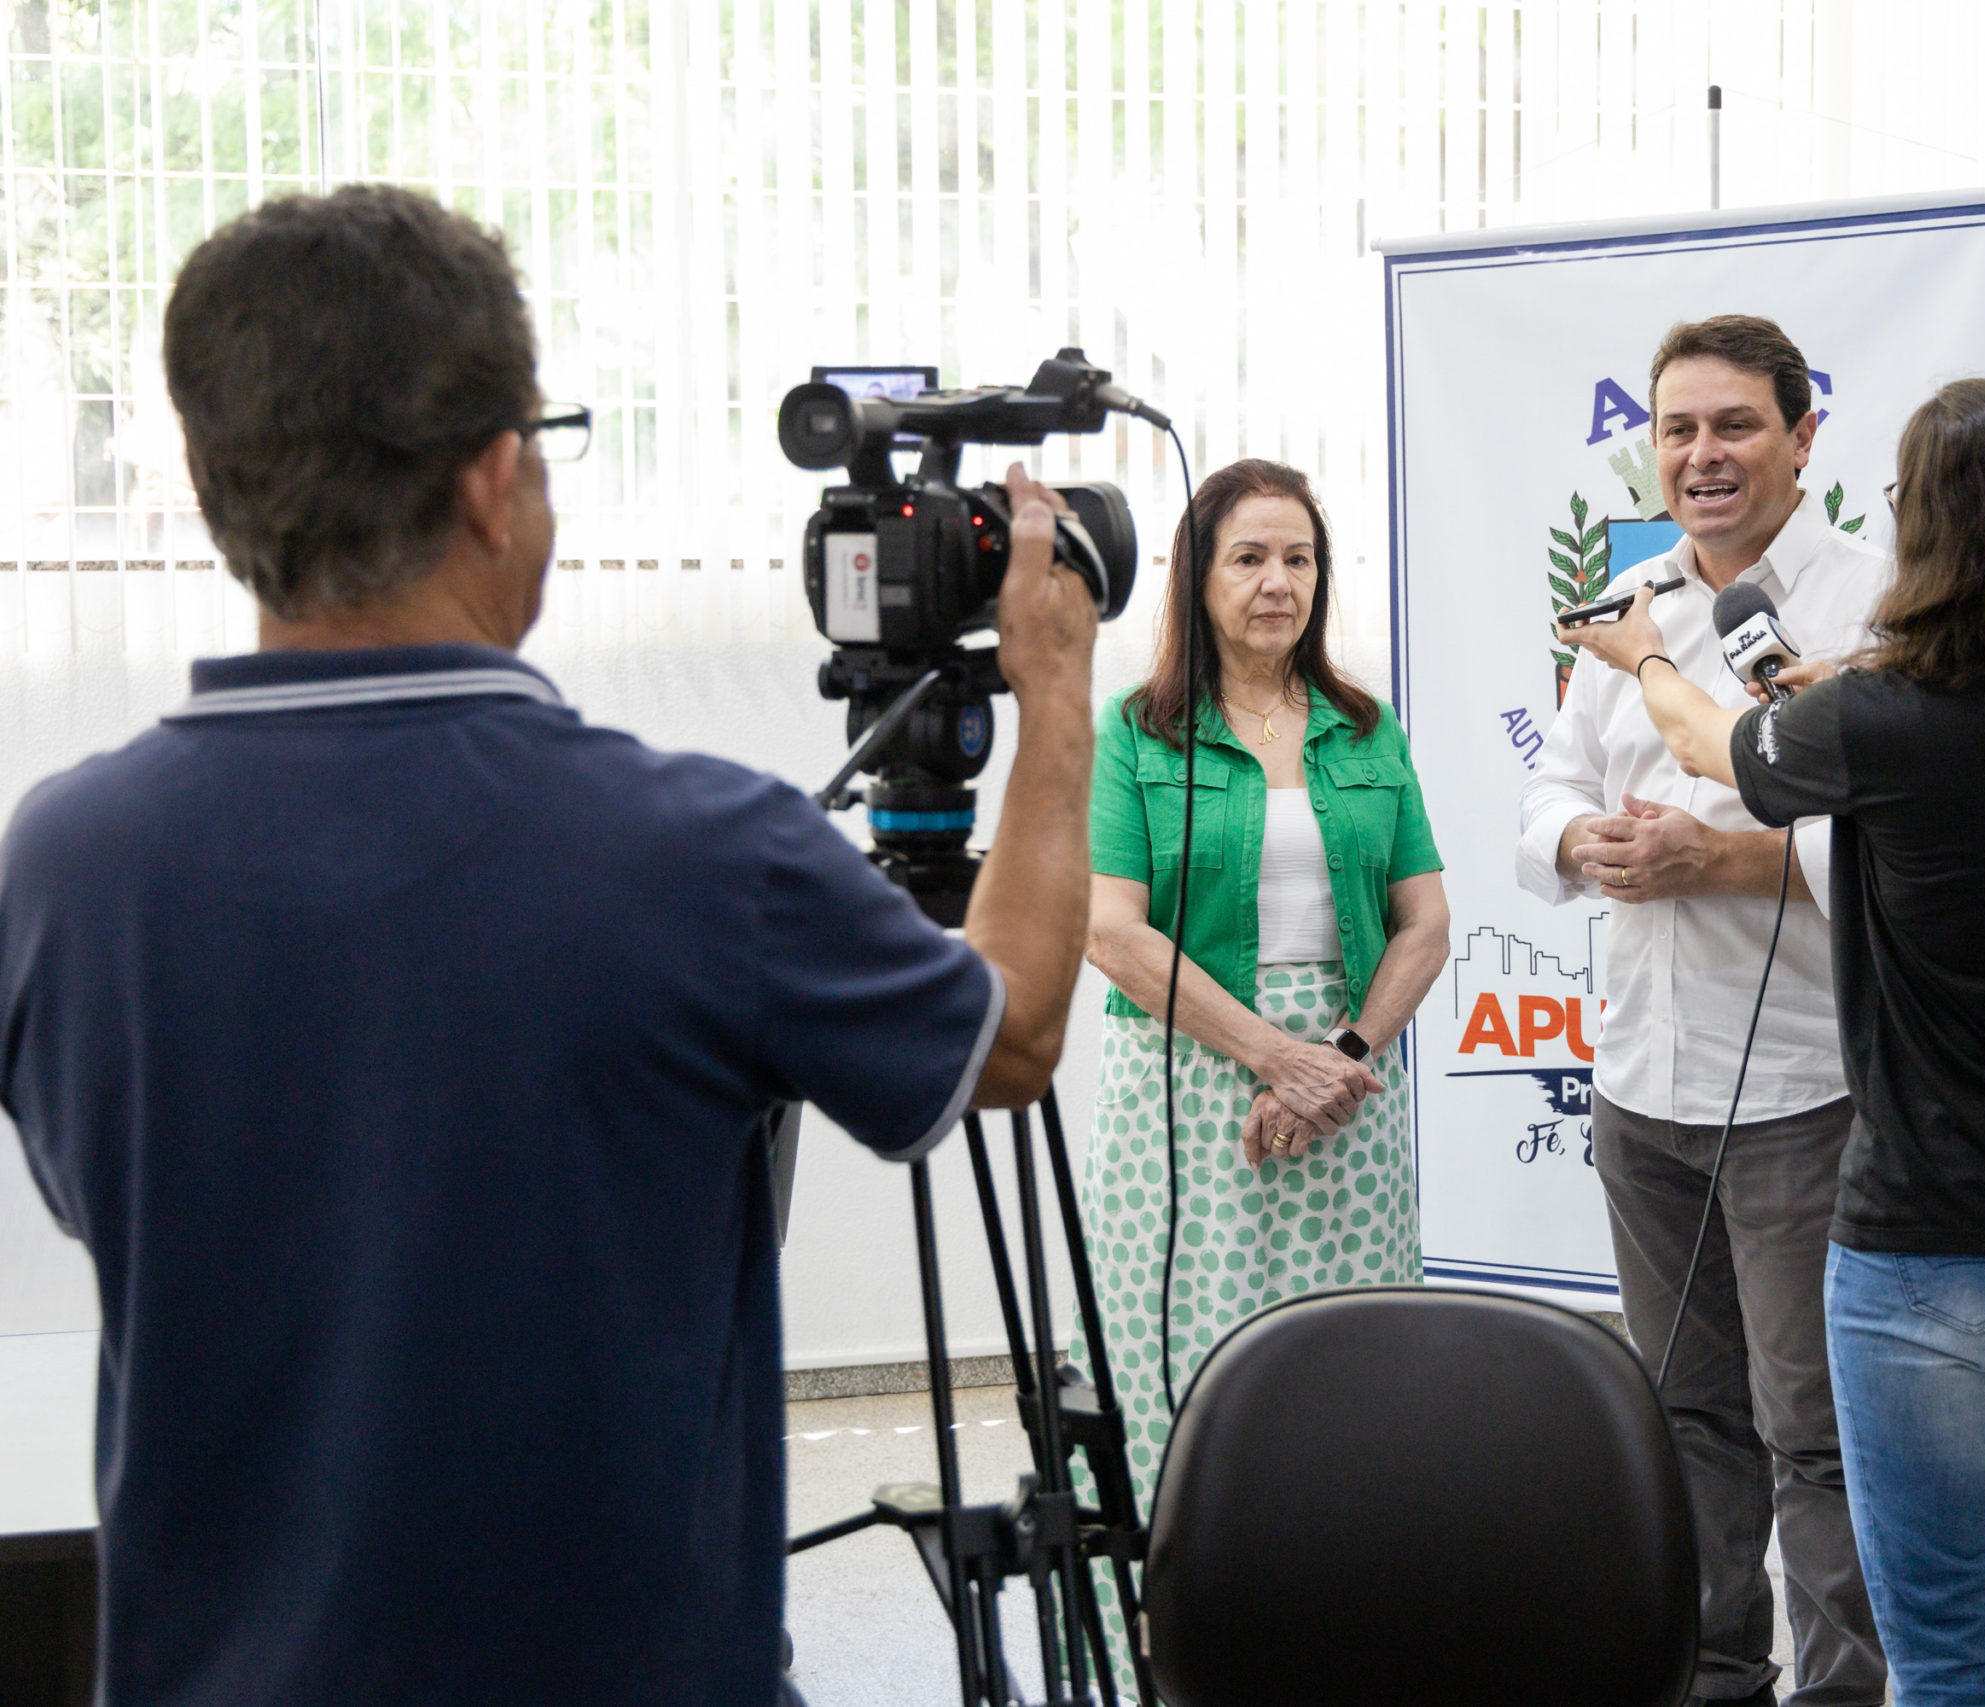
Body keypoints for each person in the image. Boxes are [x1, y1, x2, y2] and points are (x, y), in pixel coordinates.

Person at [0, 185, 1099, 1707]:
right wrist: (1053, 698)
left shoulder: (60, 870)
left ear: (208, 485)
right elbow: (1019, 1026)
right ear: (494, 481)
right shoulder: (702, 854)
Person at [1558, 376, 1985, 1707]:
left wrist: (1649, 656)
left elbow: (1722, 747)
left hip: (1940, 1240)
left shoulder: (1883, 727)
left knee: (1944, 1652)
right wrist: (1838, 681)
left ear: (1927, 532)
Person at [1518, 316, 1887, 1707]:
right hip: (1639, 1087)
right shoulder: (1635, 608)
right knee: (1685, 1419)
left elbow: (1895, 856)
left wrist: (1717, 857)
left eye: (1734, 424)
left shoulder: (1873, 601)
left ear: (1802, 435)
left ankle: (1845, 1691)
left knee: (1815, 1430)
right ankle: (1717, 1675)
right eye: (1677, 429)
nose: (1703, 454)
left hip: (1802, 1088)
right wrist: (1580, 847)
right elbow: (1550, 788)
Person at [1076, 457, 1450, 1682]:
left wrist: (1336, 1061)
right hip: (1188, 1091)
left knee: (1342, 1379)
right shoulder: (1135, 734)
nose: (1277, 581)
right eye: (1248, 557)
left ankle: (1335, 1629)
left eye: (1297, 558)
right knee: (1176, 1371)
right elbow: (1112, 931)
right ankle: (1176, 1641)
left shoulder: (1360, 725)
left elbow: (1425, 922)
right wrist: (1270, 1057)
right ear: (1196, 577)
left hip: (1346, 1097)